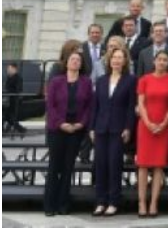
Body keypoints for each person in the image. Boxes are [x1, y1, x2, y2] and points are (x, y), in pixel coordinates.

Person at [43, 48, 92, 217]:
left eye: (78, 60)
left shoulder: (86, 82)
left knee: (67, 168)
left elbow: (88, 107)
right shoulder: (56, 81)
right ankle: (50, 204)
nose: (75, 62)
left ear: (81, 64)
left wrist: (81, 124)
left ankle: (63, 204)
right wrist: (61, 123)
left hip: (76, 130)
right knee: (54, 166)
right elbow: (50, 106)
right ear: (67, 62)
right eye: (72, 59)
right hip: (57, 130)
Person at [90, 46, 136, 217]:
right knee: (100, 165)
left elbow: (131, 107)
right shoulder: (101, 80)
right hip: (101, 128)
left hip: (119, 129)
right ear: (109, 60)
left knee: (114, 165)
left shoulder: (130, 80)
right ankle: (100, 201)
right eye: (114, 57)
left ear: (125, 61)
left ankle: (113, 201)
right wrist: (92, 128)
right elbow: (95, 106)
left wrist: (128, 128)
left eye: (120, 57)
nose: (116, 60)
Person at [135, 49, 168, 217]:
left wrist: (164, 123)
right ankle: (142, 203)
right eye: (159, 59)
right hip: (146, 126)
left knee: (159, 167)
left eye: (165, 60)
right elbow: (141, 103)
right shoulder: (144, 79)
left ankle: (153, 203)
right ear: (154, 61)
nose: (162, 62)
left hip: (164, 126)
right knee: (143, 166)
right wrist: (148, 123)